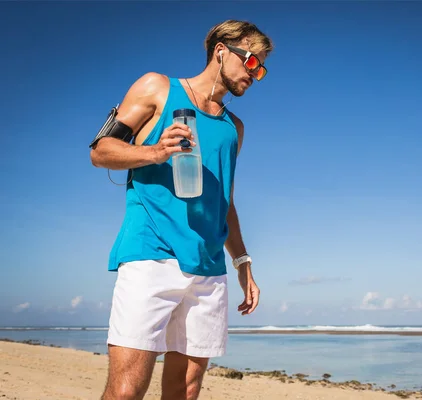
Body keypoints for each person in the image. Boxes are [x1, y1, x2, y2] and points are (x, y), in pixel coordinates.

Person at [89, 19, 274, 400]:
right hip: (151, 255)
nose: (256, 76)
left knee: (185, 391)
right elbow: (100, 151)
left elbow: (226, 203)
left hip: (208, 271)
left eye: (262, 69)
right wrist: (155, 152)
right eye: (253, 63)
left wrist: (243, 264)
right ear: (222, 51)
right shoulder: (157, 87)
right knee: (126, 390)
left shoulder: (234, 128)